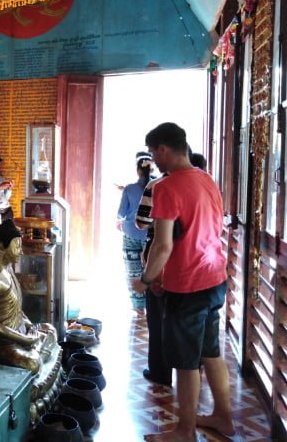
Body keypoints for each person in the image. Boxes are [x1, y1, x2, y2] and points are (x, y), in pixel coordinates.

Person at [133, 123, 234, 442]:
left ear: (163, 149)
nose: (153, 160)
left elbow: (163, 245)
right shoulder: (207, 179)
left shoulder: (166, 187)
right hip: (215, 278)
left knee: (186, 363)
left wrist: (147, 279)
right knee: (210, 352)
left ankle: (184, 431)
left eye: (153, 153)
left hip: (187, 285)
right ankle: (223, 418)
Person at [136, 151, 207, 388]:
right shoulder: (205, 187)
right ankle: (193, 369)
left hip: (161, 262)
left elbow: (141, 222)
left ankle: (161, 372)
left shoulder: (157, 186)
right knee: (189, 322)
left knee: (158, 320)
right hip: (196, 264)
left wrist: (147, 277)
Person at [0, 219, 55, 374]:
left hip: (16, 330)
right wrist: (26, 339)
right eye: (17, 246)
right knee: (33, 364)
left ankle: (36, 349)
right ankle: (36, 352)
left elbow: (15, 309)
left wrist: (28, 325)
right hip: (0, 342)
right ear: (1, 247)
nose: (21, 251)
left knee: (51, 330)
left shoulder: (7, 267)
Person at [116, 151, 154, 314]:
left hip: (131, 232)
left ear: (138, 170)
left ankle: (138, 307)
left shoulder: (129, 188)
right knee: (151, 269)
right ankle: (152, 304)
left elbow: (121, 213)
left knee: (133, 271)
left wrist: (120, 221)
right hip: (151, 235)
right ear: (152, 170)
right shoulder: (158, 186)